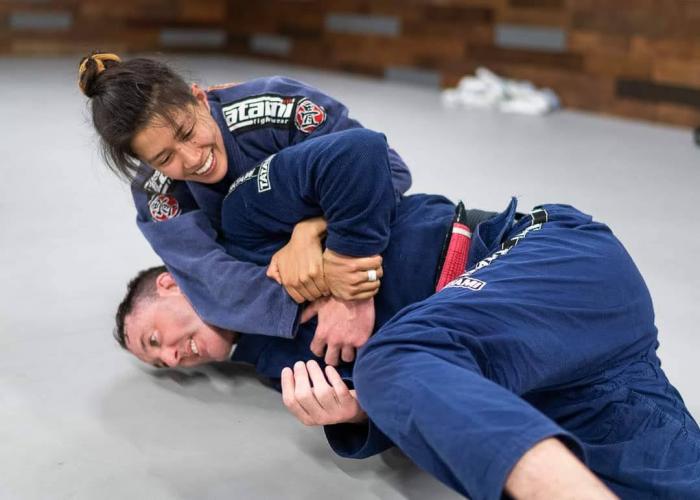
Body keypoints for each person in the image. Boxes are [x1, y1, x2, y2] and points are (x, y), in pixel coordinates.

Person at [115, 128, 700, 499]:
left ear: (168, 283)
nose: (173, 358)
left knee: (392, 358)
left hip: (550, 261)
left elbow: (357, 152)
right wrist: (355, 412)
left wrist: (346, 277)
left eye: (154, 339)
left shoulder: (243, 230)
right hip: (564, 371)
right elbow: (429, 400)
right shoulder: (275, 367)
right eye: (162, 364)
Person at [78, 51, 412, 361]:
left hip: (349, 237)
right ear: (148, 163)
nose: (192, 159)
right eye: (165, 159)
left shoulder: (276, 106)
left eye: (188, 132)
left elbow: (387, 169)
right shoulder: (156, 194)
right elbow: (209, 278)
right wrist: (320, 295)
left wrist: (311, 233)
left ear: (199, 99)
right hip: (277, 268)